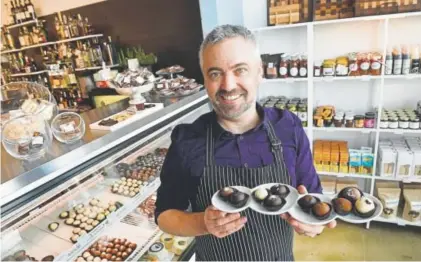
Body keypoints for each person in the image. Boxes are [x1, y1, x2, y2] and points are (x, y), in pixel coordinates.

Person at [155, 24, 336, 261]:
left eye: (240, 70)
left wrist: (314, 223)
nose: (228, 86)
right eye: (215, 73)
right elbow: (164, 215)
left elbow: (312, 195)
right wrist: (203, 222)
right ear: (205, 80)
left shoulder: (288, 126)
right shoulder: (187, 138)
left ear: (259, 72)